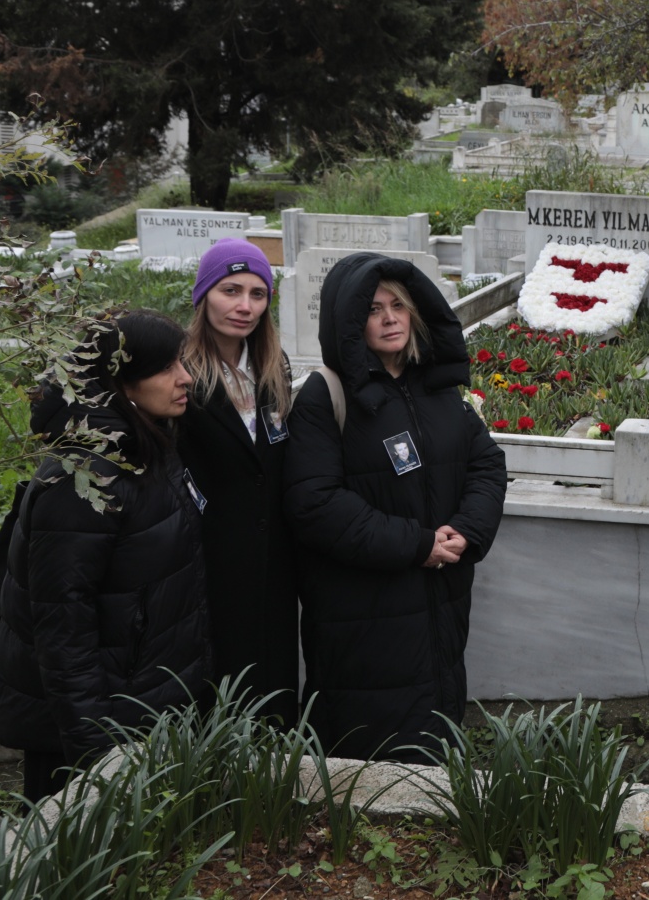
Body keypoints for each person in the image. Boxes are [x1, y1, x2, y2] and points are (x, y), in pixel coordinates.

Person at [285, 254, 507, 761]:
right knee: (368, 763)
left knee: (434, 734)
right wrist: (418, 545)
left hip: (441, 601)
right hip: (363, 613)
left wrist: (466, 531)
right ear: (348, 320)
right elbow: (314, 504)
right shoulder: (326, 396)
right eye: (373, 308)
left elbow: (486, 465)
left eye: (399, 305)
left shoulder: (437, 387)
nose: (389, 318)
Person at [0, 310, 213, 801]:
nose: (186, 378)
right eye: (167, 368)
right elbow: (62, 629)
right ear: (121, 385)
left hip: (138, 705)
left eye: (183, 362)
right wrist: (97, 758)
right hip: (91, 732)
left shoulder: (146, 444)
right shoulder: (84, 482)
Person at [179, 239, 300, 721]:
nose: (244, 306)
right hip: (209, 560)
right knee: (222, 690)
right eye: (230, 290)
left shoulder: (273, 369)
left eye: (257, 293)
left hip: (273, 561)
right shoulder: (182, 373)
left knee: (273, 687)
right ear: (204, 294)